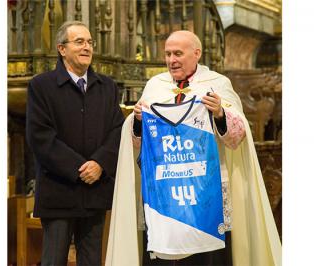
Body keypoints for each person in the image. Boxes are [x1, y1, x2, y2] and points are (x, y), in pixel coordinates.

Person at [106, 31, 281, 266]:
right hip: (164, 196)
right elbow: (137, 144)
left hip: (204, 192)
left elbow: (237, 137)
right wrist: (137, 121)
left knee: (205, 258)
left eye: (178, 53)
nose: (171, 60)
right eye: (168, 54)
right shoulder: (155, 86)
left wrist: (220, 113)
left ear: (196, 53)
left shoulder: (217, 85)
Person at [26, 21, 124, 266]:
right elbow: (41, 137)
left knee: (92, 261)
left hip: (95, 192)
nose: (87, 47)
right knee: (53, 261)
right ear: (61, 48)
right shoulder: (42, 86)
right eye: (79, 42)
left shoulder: (108, 87)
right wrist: (81, 168)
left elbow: (117, 131)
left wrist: (100, 163)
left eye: (90, 42)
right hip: (59, 192)